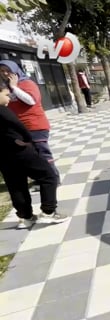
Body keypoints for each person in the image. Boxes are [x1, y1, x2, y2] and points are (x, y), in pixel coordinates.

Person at [0, 86, 68, 229]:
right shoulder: (2, 110)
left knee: (16, 185)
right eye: (6, 95)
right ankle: (48, 212)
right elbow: (18, 125)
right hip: (19, 149)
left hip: (3, 155)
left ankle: (26, 217)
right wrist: (27, 139)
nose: (9, 99)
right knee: (48, 175)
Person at [0, 60, 60, 186]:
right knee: (31, 154)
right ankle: (41, 178)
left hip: (35, 125)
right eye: (2, 71)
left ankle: (52, 178)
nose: (5, 73)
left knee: (41, 153)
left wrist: (15, 87)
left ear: (15, 70)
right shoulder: (5, 87)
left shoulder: (27, 83)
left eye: (8, 70)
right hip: (20, 127)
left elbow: (32, 101)